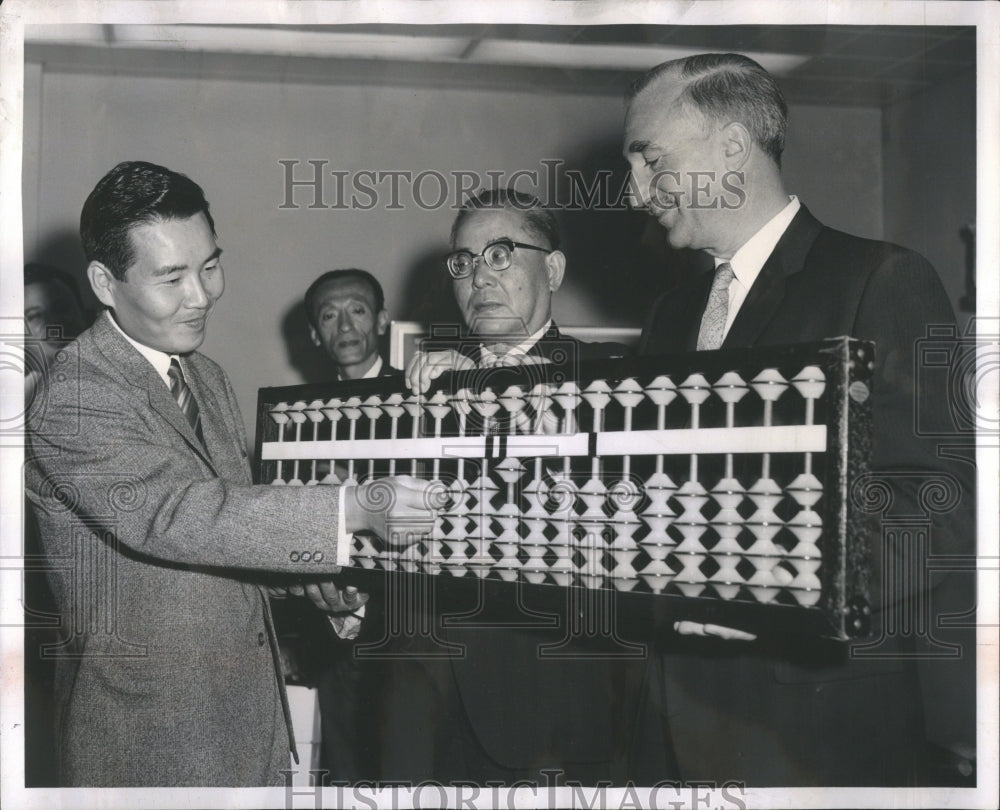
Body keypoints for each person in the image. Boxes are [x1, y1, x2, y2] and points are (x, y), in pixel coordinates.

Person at [23, 161, 437, 787]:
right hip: (148, 744)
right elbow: (173, 514)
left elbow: (228, 526)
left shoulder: (204, 376)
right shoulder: (75, 393)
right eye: (171, 277)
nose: (203, 295)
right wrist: (351, 507)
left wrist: (302, 579)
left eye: (210, 266)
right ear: (105, 283)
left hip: (246, 729)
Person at [623, 53, 976, 785]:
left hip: (818, 735)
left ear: (730, 145)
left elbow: (941, 508)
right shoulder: (668, 318)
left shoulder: (881, 279)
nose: (634, 193)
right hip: (668, 722)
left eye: (650, 160)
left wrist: (771, 590)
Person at [390, 188, 639, 785]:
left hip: (549, 716)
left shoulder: (613, 381)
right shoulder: (418, 392)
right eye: (465, 261)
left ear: (551, 268)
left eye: (500, 254)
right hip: (424, 713)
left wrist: (493, 386)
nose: (479, 275)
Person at [298, 267, 404, 781]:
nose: (344, 325)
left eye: (357, 310)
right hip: (335, 634)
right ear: (314, 333)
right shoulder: (299, 420)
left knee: (404, 769)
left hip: (407, 630)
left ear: (382, 320)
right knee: (343, 771)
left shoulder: (422, 401)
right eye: (329, 314)